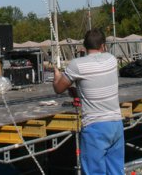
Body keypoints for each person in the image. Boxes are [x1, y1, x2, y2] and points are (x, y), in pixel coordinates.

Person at [52, 29, 124, 174]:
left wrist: (56, 76)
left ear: (84, 47)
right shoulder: (111, 59)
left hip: (95, 127)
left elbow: (59, 88)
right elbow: (95, 82)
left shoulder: (77, 65)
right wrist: (79, 91)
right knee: (116, 171)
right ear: (103, 46)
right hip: (116, 124)